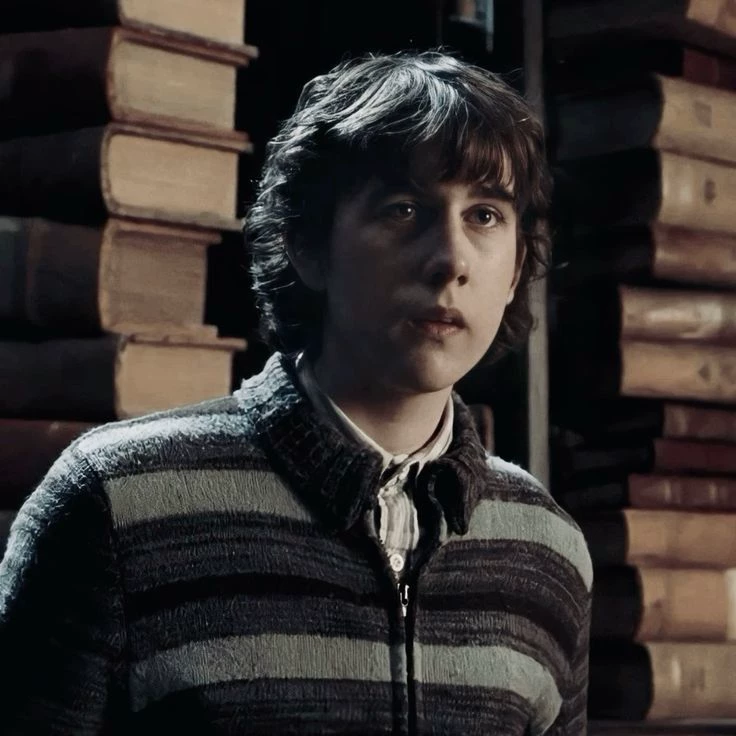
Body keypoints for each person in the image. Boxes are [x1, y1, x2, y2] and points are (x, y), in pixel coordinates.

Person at [0, 51, 592, 735]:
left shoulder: (548, 550)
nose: (452, 259)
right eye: (404, 209)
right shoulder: (113, 502)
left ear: (515, 270)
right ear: (309, 245)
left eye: (485, 215)